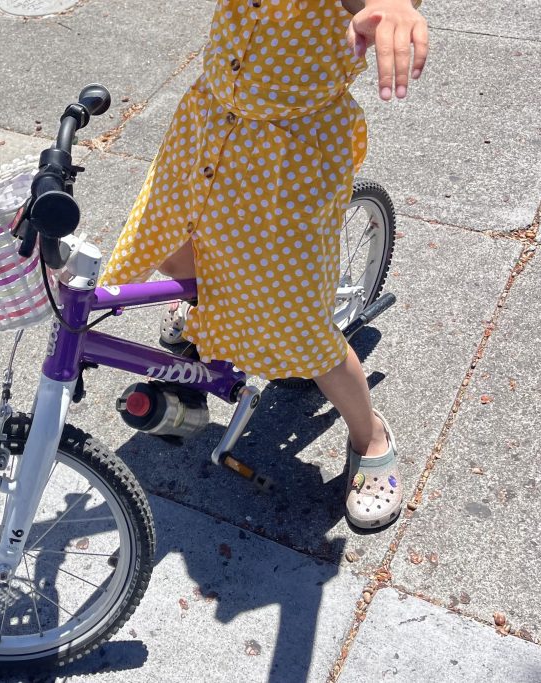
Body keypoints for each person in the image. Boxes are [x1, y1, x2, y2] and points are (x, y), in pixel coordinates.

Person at [99, 0, 429, 529]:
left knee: (300, 328)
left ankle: (370, 435)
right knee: (159, 241)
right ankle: (213, 306)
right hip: (206, 123)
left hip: (285, 155)